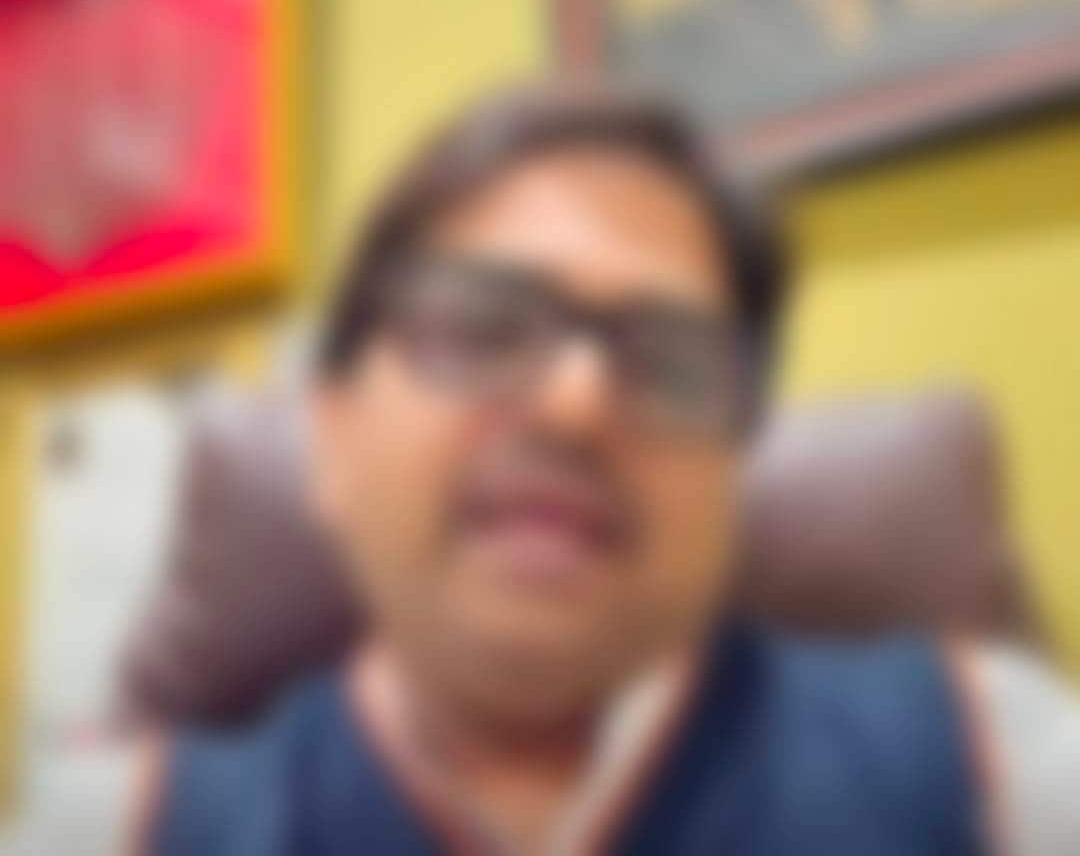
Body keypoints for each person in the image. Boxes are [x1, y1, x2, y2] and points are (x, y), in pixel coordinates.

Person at [5, 84, 1079, 855]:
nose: (576, 400)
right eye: (481, 325)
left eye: (669, 358)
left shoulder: (991, 756)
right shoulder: (117, 825)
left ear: (735, 468)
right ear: (331, 438)